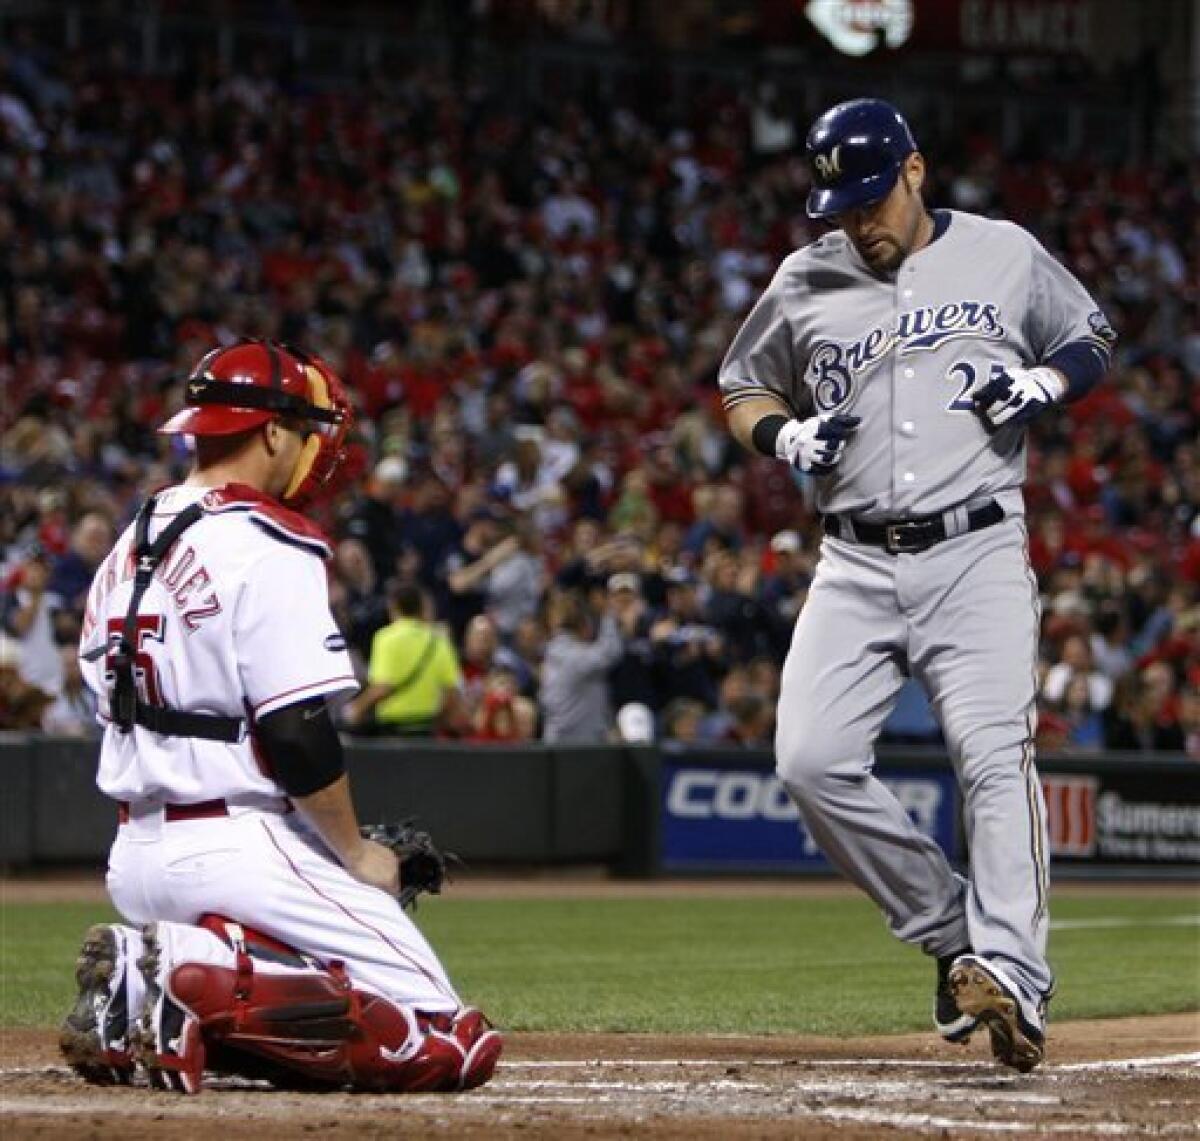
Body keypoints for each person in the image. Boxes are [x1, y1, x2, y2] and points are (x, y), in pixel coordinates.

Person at [719, 98, 1116, 1072]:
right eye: (839, 204)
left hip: (975, 548)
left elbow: (1091, 333)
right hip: (852, 559)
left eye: (869, 198)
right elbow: (743, 388)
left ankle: (1015, 972)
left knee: (991, 757)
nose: (856, 221)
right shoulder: (805, 278)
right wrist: (786, 434)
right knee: (809, 761)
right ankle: (950, 937)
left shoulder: (1003, 252)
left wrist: (1044, 385)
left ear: (914, 172)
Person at [61, 340, 501, 1094]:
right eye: (305, 429)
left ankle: (159, 992)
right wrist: (355, 854)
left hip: (134, 850)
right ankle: (192, 970)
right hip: (236, 842)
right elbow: (296, 730)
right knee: (445, 1039)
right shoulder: (267, 540)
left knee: (335, 998)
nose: (314, 447)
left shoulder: (130, 539)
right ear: (272, 432)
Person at [342, 582, 466, 738]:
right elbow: (451, 691)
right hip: (426, 730)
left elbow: (382, 687)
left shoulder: (386, 638)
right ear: (421, 607)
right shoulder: (438, 640)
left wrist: (356, 709)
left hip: (393, 731)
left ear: (394, 606)